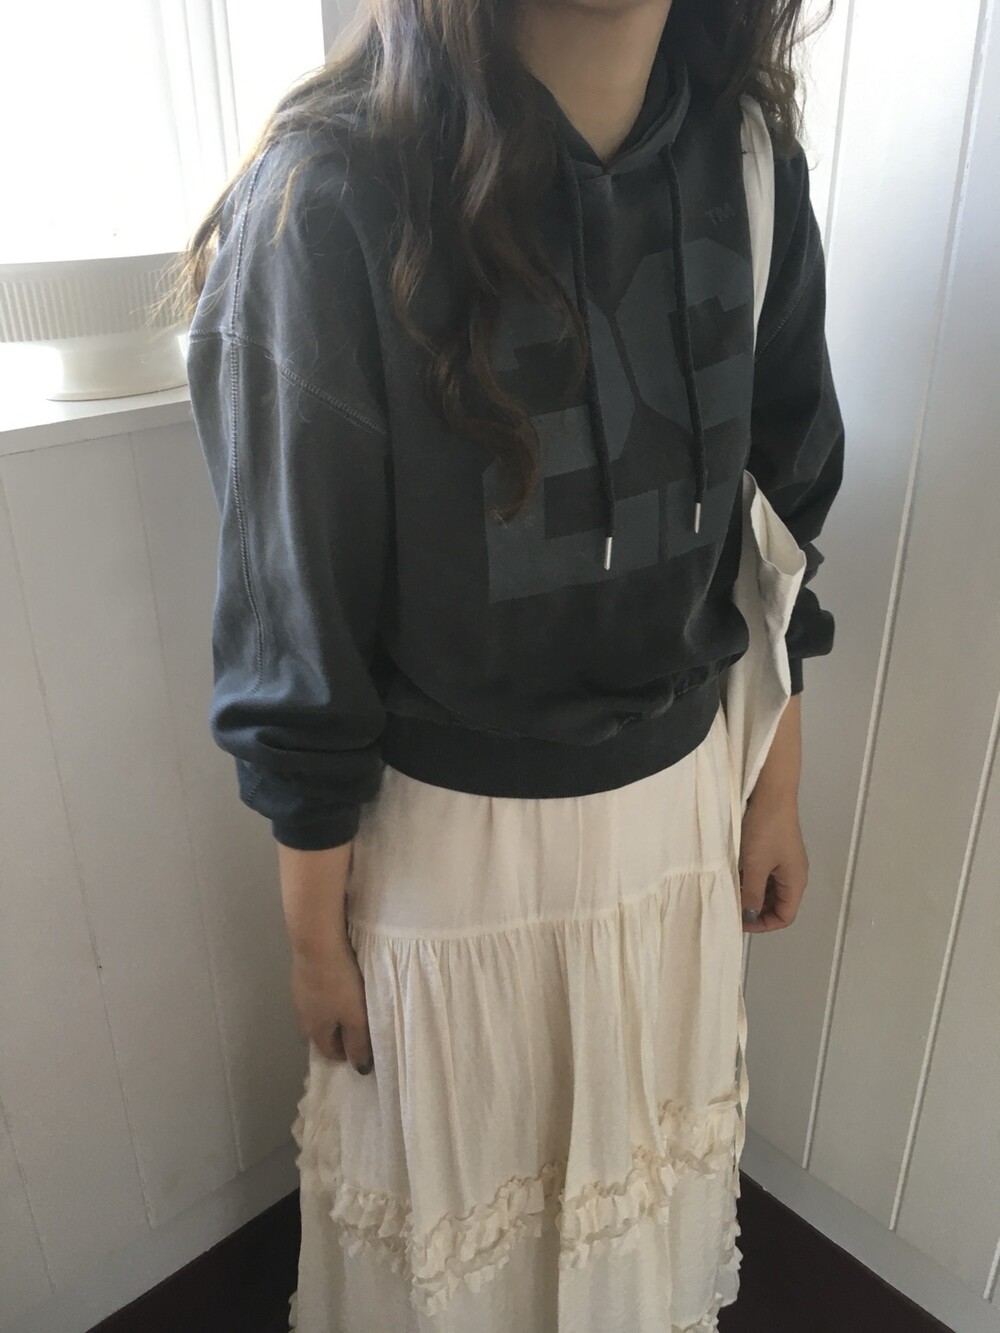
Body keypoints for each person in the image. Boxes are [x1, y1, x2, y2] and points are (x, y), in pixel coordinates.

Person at [177, 0, 844, 1325]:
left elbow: (776, 515)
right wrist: (313, 941)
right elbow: (296, 615)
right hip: (448, 864)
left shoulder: (751, 161)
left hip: (677, 826)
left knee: (629, 1235)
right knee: (461, 1256)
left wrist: (772, 781)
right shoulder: (332, 198)